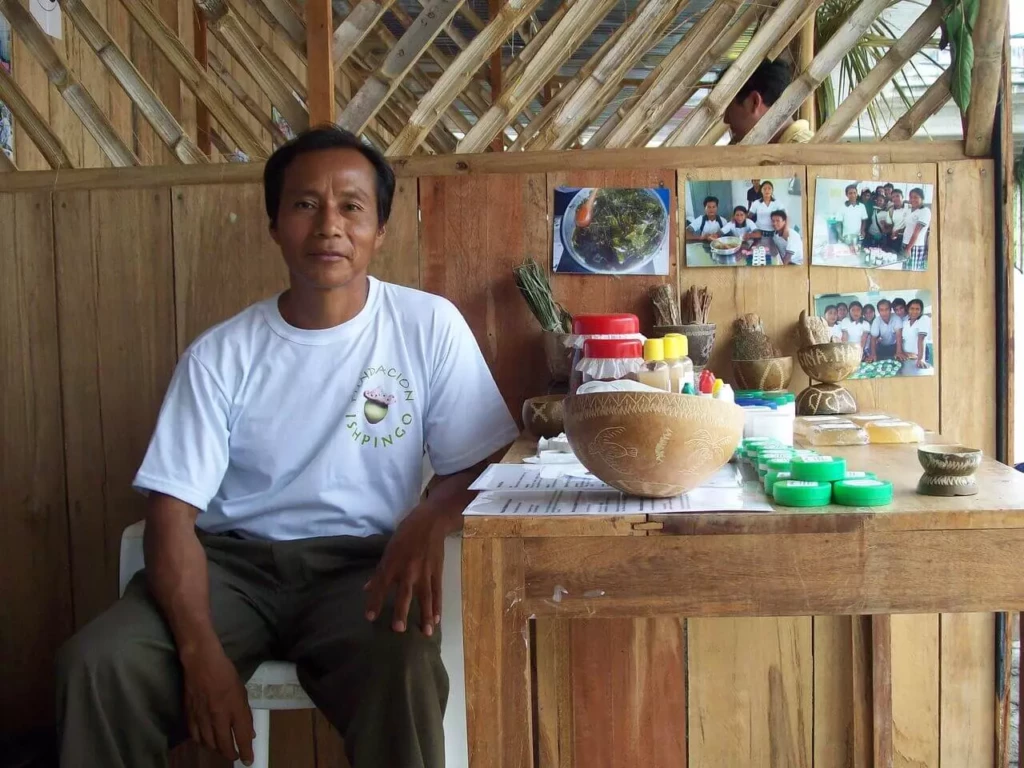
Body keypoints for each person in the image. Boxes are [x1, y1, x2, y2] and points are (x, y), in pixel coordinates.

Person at [55, 127, 519, 768]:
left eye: (352, 206)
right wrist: (202, 658)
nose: (329, 225)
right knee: (97, 664)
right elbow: (170, 516)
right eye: (305, 204)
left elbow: (480, 457)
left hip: (361, 572)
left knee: (403, 667)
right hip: (230, 572)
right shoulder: (221, 356)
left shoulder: (425, 324)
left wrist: (430, 515)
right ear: (274, 224)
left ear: (380, 229)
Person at [723, 60, 815, 144]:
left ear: (754, 102)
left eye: (728, 108)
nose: (726, 119)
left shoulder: (804, 153)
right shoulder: (777, 149)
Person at [896, 298, 932, 374]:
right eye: (912, 308)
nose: (914, 311)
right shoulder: (905, 322)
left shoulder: (923, 319)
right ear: (908, 309)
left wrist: (920, 358)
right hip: (906, 356)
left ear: (921, 310)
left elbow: (921, 339)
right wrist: (902, 353)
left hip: (917, 357)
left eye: (917, 309)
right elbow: (902, 339)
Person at [901, 187, 931, 270]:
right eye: (911, 197)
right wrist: (897, 232)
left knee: (911, 272)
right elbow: (908, 227)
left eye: (916, 197)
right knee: (905, 269)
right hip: (906, 243)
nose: (912, 199)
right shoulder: (913, 211)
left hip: (914, 246)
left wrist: (908, 248)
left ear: (922, 198)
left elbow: (916, 232)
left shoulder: (925, 211)